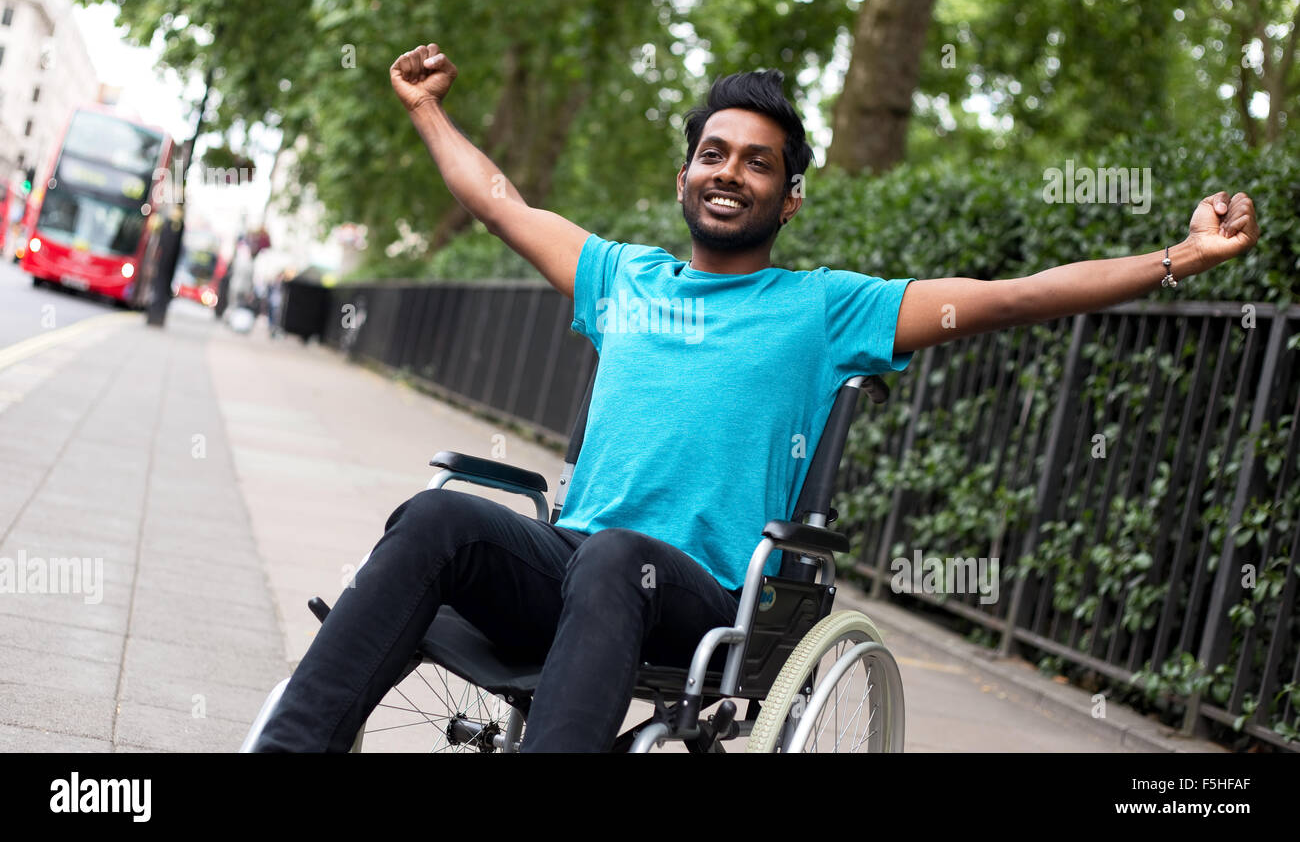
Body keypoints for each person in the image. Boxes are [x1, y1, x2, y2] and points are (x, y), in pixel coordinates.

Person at [251, 42, 1260, 753]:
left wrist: (1177, 255)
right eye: (713, 153)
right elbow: (497, 200)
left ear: (790, 196)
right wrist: (426, 107)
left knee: (614, 558)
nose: (729, 172)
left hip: (699, 595)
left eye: (758, 162)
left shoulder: (826, 308)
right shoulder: (621, 276)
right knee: (434, 517)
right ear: (687, 173)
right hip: (573, 566)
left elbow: (1010, 295)